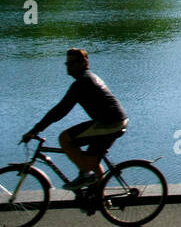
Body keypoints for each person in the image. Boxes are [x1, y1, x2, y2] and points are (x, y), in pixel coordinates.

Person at [22, 48, 129, 189]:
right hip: (112, 121)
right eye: (67, 63)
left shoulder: (82, 83)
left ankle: (85, 175)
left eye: (72, 63)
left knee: (64, 138)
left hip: (110, 123)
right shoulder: (87, 78)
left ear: (83, 63)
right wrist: (37, 129)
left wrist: (35, 130)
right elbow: (60, 111)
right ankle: (98, 198)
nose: (68, 66)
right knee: (90, 161)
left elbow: (59, 111)